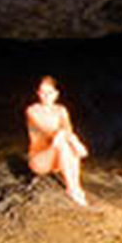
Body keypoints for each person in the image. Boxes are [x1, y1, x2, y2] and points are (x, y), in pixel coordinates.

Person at [24, 76, 93, 205]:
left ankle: (77, 187)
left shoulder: (61, 110)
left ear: (56, 94)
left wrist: (72, 139)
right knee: (63, 140)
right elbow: (47, 131)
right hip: (40, 159)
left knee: (67, 142)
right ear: (38, 93)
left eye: (49, 93)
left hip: (59, 159)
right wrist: (71, 140)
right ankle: (72, 190)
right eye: (42, 92)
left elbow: (68, 129)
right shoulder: (32, 110)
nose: (46, 96)